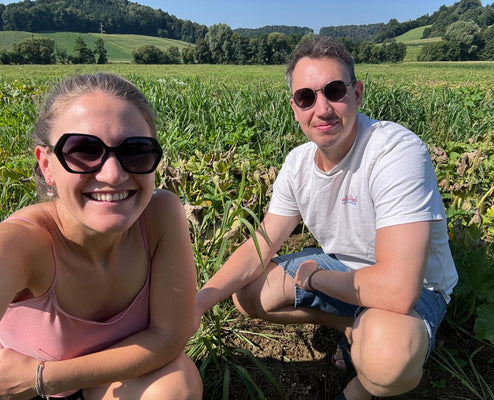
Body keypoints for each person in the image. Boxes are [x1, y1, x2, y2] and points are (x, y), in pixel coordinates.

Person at [194, 36, 458, 400]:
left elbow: (398, 289)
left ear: (357, 93)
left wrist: (315, 278)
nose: (322, 109)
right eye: (307, 97)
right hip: (343, 270)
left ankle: (359, 386)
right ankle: (353, 326)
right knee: (249, 294)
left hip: (415, 292)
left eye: (334, 91)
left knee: (386, 361)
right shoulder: (298, 164)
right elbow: (263, 242)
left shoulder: (395, 151)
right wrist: (197, 305)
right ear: (294, 107)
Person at [0, 73, 202, 400]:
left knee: (175, 386)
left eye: (135, 151)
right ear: (47, 165)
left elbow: (168, 338)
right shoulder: (19, 244)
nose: (113, 174)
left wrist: (43, 378)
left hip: (85, 383)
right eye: (83, 150)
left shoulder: (160, 214)